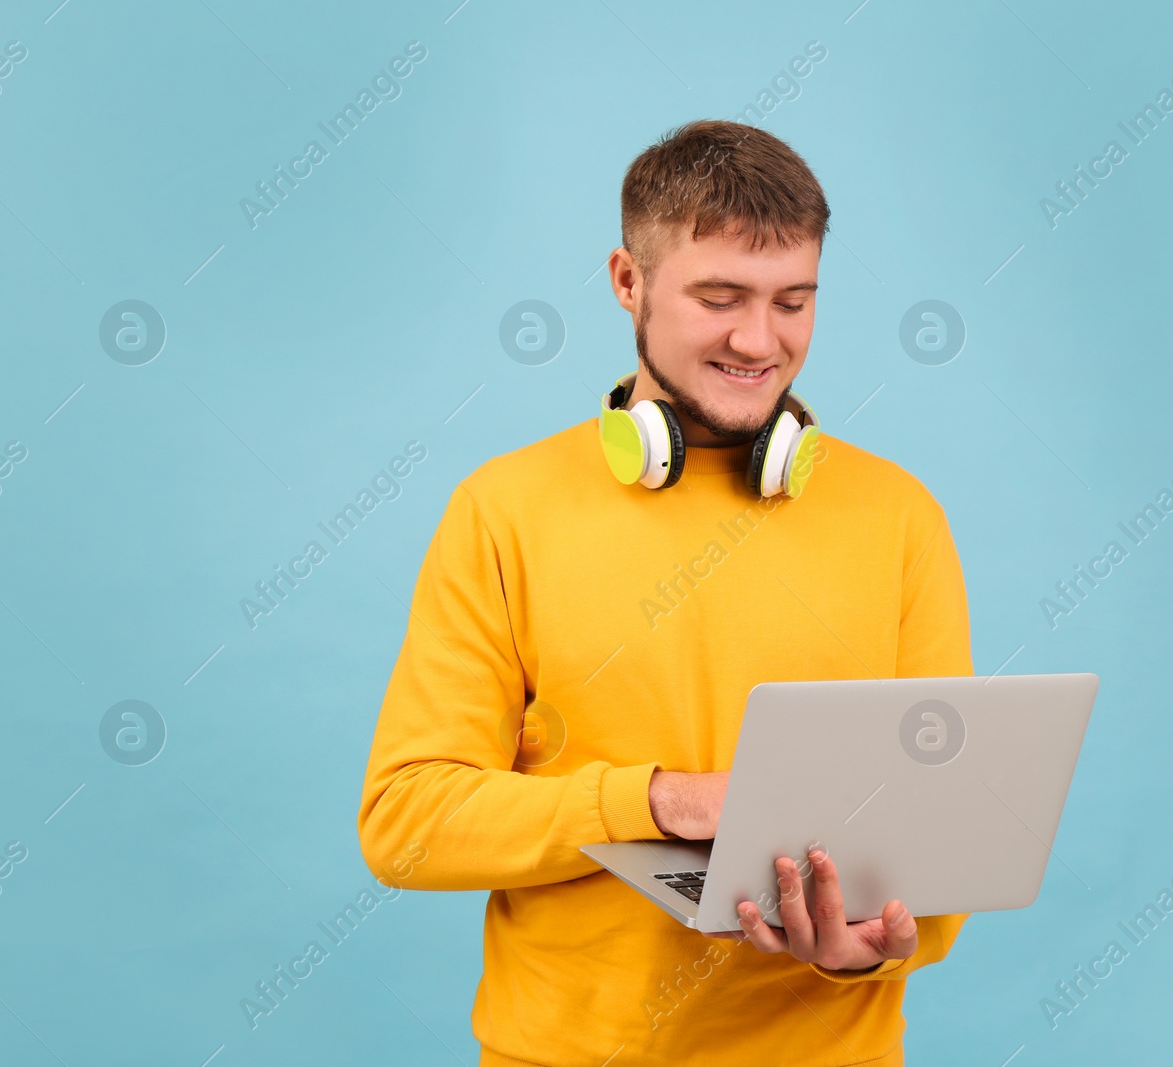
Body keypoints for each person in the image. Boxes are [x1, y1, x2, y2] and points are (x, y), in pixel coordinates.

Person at [358, 118, 973, 1067]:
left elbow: (939, 854)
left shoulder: (901, 516)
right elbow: (408, 824)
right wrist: (656, 800)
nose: (759, 339)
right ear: (627, 281)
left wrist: (869, 954)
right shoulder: (503, 511)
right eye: (719, 297)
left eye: (793, 302)